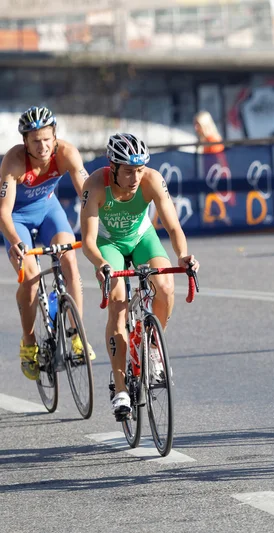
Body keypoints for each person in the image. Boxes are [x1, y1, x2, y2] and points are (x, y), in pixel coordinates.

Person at [80, 133, 199, 421]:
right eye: (129, 171)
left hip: (141, 237)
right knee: (118, 302)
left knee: (165, 286)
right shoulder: (95, 185)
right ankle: (121, 389)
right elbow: (88, 241)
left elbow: (172, 227)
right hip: (109, 246)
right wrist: (101, 264)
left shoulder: (152, 180)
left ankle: (154, 348)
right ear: (113, 166)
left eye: (140, 169)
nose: (136, 177)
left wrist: (183, 255)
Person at [0, 105, 95, 381]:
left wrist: (97, 227)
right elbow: (4, 212)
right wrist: (16, 242)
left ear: (55, 136)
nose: (42, 146)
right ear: (25, 142)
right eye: (35, 141)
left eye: (46, 139)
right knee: (29, 278)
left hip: (48, 212)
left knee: (70, 261)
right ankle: (29, 343)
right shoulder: (14, 162)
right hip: (17, 219)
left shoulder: (67, 153)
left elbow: (87, 194)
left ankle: (77, 336)